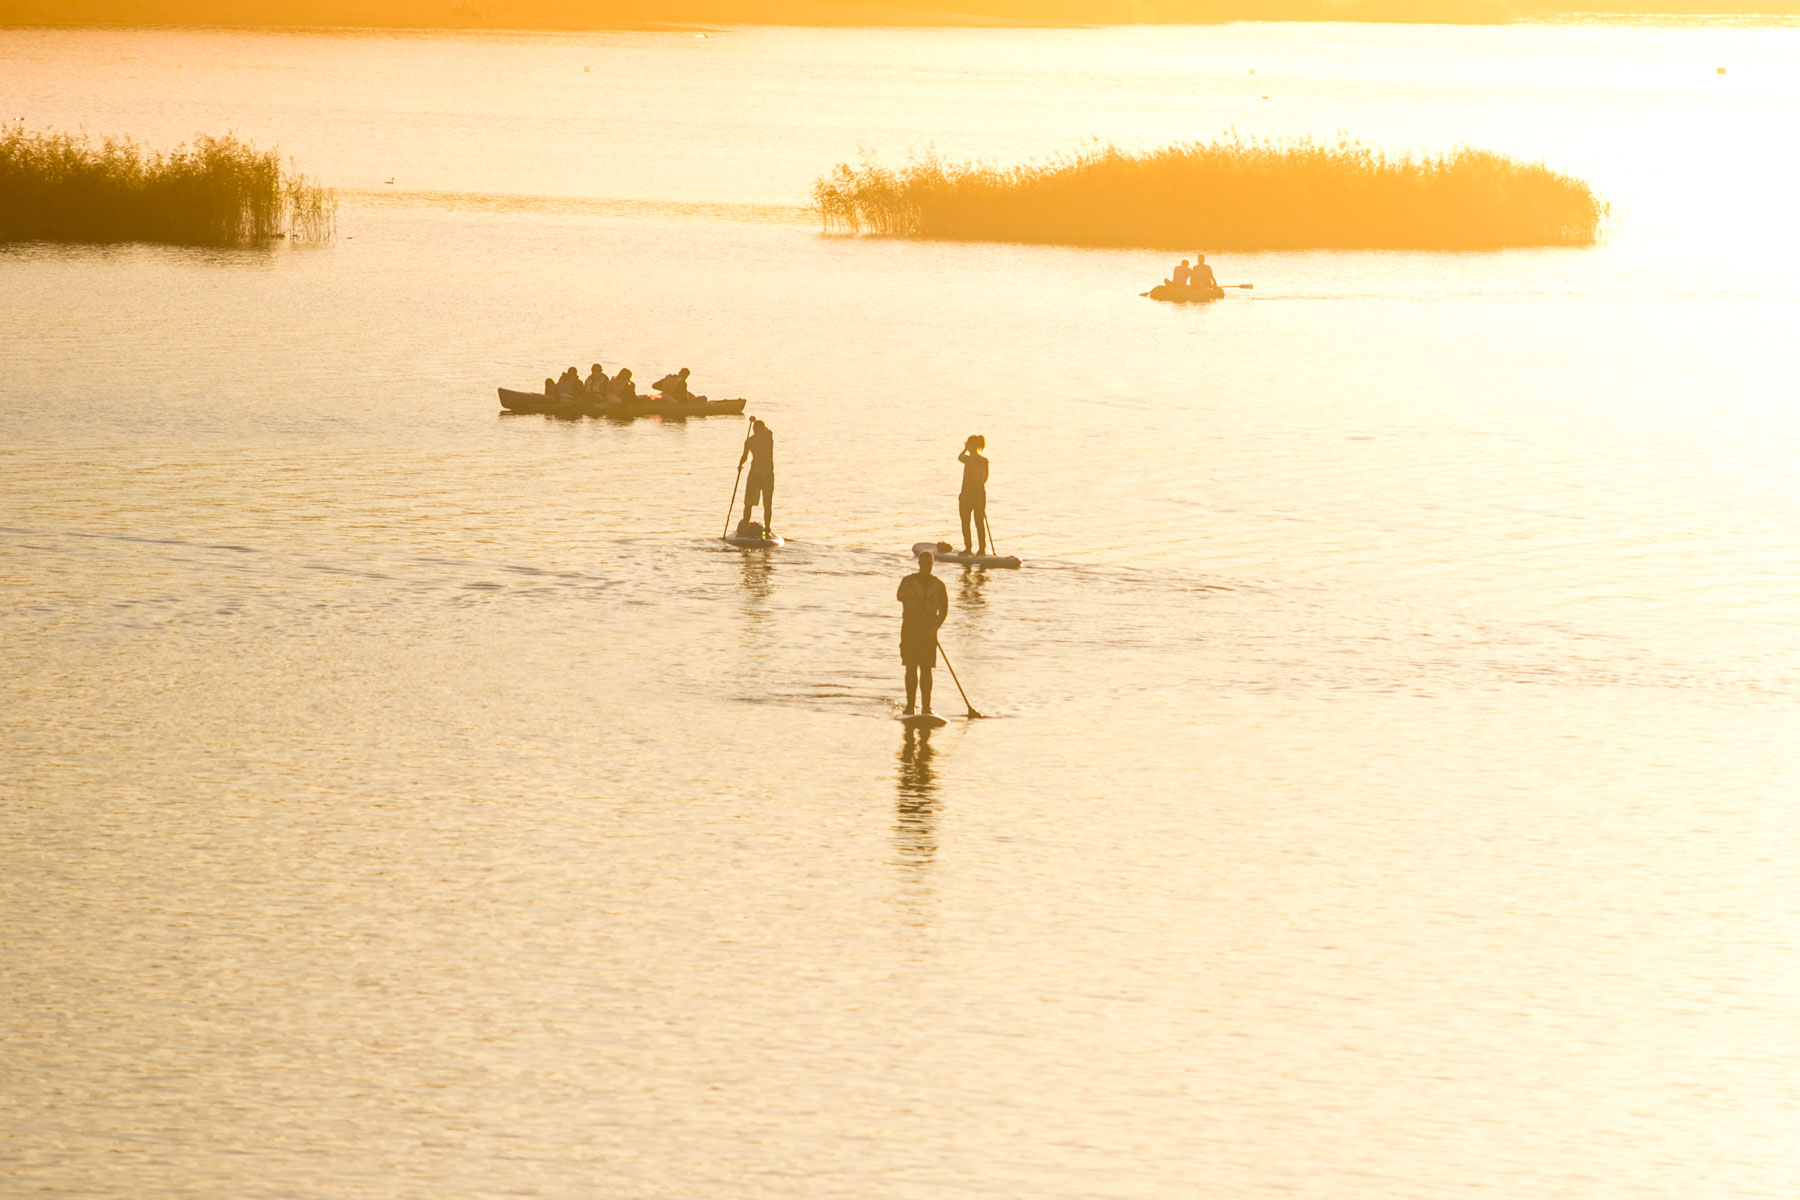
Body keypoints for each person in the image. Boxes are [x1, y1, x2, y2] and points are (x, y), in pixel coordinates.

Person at [896, 549, 949, 717]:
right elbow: (899, 596)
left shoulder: (939, 585)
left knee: (926, 669)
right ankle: (910, 706)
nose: (927, 566)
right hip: (910, 629)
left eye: (930, 564)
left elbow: (944, 609)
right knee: (910, 667)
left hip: (928, 632)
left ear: (932, 565)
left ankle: (926, 707)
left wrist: (936, 627)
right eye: (924, 563)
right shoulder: (908, 581)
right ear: (919, 564)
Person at [739, 417, 774, 535]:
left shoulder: (765, 438)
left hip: (764, 473)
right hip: (759, 472)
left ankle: (767, 528)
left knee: (767, 503)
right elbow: (745, 456)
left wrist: (754, 423)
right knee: (749, 502)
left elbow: (745, 456)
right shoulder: (765, 437)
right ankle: (745, 526)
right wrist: (740, 465)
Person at [957, 434, 989, 557]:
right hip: (977, 494)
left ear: (972, 446)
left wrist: (968, 490)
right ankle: (973, 548)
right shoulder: (974, 460)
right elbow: (959, 457)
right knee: (972, 521)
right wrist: (965, 448)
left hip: (972, 494)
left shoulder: (977, 461)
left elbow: (982, 479)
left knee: (974, 522)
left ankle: (976, 548)